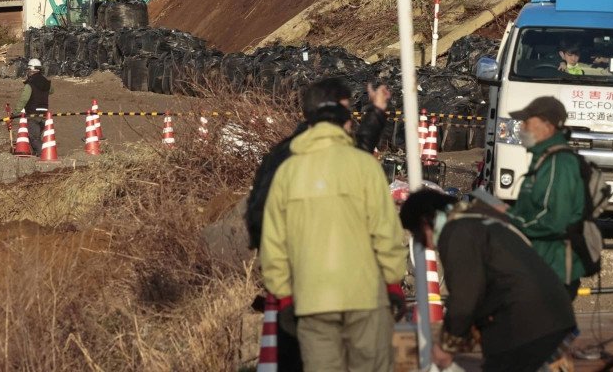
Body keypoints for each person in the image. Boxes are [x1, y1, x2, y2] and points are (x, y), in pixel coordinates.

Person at [245, 79, 391, 371]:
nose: (350, 122)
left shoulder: (285, 160)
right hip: (353, 295)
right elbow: (386, 234)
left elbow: (260, 222)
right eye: (348, 113)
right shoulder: (351, 164)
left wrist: (282, 283)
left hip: (306, 296)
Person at [399, 190, 576, 372]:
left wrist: (446, 347)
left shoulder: (456, 232)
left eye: (417, 235)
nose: (422, 244)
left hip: (525, 327)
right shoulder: (477, 220)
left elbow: (465, 298)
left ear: (425, 221)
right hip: (551, 317)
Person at [507, 96, 585, 298]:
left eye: (527, 122)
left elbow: (553, 219)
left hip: (552, 269)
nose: (522, 127)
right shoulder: (543, 159)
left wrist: (509, 219)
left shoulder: (559, 162)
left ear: (548, 126)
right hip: (537, 264)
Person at [16, 58, 53, 155]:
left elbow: (24, 99)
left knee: (34, 138)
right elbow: (51, 90)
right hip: (44, 114)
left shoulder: (30, 83)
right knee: (36, 136)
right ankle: (36, 155)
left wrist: (15, 112)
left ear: (30, 70)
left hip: (32, 114)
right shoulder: (46, 82)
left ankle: (43, 155)